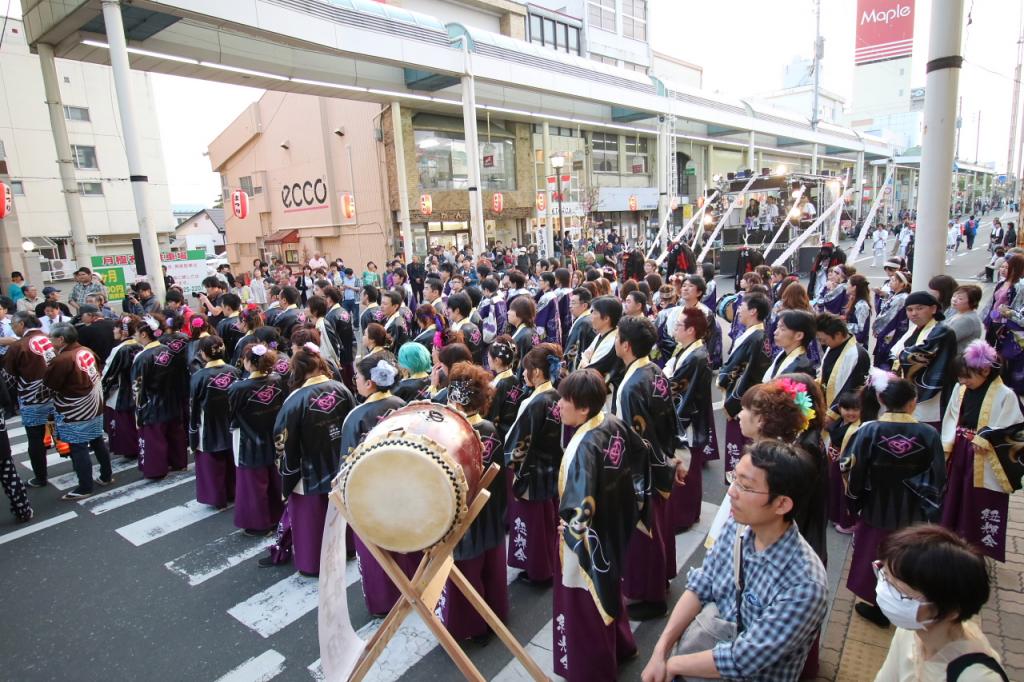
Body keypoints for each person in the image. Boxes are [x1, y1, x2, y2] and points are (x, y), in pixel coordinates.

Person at [641, 440, 828, 682]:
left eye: (745, 486)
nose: (731, 491)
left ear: (782, 503)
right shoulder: (737, 526)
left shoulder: (805, 585)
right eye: (735, 478)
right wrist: (660, 651)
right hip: (699, 663)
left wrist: (673, 664)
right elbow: (701, 585)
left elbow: (742, 659)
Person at [554, 369, 651, 681]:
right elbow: (641, 452)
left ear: (583, 408)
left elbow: (580, 505)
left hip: (591, 537)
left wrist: (571, 530)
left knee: (586, 601)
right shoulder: (612, 422)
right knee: (610, 589)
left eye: (564, 401)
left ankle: (593, 669)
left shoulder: (584, 445)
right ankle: (622, 645)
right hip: (615, 522)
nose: (559, 406)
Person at [842, 370, 946, 628]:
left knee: (875, 555)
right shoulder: (929, 435)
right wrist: (929, 510)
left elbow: (852, 470)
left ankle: (879, 606)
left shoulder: (868, 432)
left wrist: (854, 502)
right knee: (908, 559)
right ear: (912, 403)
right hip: (914, 513)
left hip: (876, 509)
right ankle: (909, 609)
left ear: (881, 400)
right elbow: (938, 478)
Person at [262, 345, 355, 576]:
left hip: (309, 471)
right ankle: (348, 549)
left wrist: (287, 473)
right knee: (341, 513)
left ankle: (314, 562)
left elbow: (282, 441)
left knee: (311, 520)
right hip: (341, 465)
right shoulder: (341, 389)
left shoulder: (295, 401)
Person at [873, 525, 1007, 681]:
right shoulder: (909, 633)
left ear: (950, 611)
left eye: (899, 592)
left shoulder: (977, 677)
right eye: (885, 577)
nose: (885, 592)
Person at [436, 362, 508, 642]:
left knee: (467, 570)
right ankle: (494, 616)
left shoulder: (452, 432)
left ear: (454, 398)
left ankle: (468, 626)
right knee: (490, 564)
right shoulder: (490, 428)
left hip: (462, 514)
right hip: (489, 509)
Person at [614, 316, 679, 620]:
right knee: (659, 530)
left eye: (617, 337)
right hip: (661, 463)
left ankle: (650, 597)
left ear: (625, 345)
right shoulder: (654, 371)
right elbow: (670, 418)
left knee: (644, 535)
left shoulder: (630, 387)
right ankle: (660, 581)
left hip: (643, 473)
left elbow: (633, 440)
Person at [940, 341, 1024, 562]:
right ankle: (951, 539)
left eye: (967, 376)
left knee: (979, 499)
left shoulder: (1006, 394)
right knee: (954, 495)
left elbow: (1014, 428)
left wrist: (987, 437)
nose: (962, 381)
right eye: (959, 377)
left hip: (985, 455)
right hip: (960, 449)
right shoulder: (961, 389)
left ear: (985, 370)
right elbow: (951, 416)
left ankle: (976, 548)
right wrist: (947, 444)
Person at [339, 352, 407, 612]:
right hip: (401, 487)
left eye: (357, 376)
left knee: (375, 550)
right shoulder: (402, 403)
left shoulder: (357, 416)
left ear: (370, 382)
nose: (355, 379)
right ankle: (409, 590)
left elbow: (347, 464)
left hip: (370, 493)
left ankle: (384, 601)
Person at [504, 343, 564, 585]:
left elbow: (519, 442)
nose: (523, 374)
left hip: (531, 472)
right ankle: (548, 565)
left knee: (533, 526)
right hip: (551, 468)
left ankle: (539, 571)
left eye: (526, 370)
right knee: (547, 523)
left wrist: (512, 467)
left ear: (537, 372)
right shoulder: (556, 395)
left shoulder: (536, 402)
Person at [43, 322, 112, 500]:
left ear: (61, 339)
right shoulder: (86, 350)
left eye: (52, 337)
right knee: (97, 440)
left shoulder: (63, 359)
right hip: (94, 404)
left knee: (78, 446)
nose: (50, 341)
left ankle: (85, 487)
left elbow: (51, 384)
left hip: (75, 409)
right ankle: (106, 475)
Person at [664, 308, 716, 533]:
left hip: (687, 421)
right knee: (690, 471)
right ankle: (689, 513)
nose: (675, 328)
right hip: (690, 419)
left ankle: (682, 517)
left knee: (685, 471)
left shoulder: (695, 358)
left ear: (691, 330)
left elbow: (680, 393)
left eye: (678, 325)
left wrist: (674, 425)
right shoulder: (690, 351)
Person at [228, 343, 286, 536]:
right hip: (274, 436)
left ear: (248, 362)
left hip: (249, 441)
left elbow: (231, 416)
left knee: (253, 485)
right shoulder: (277, 379)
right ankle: (278, 516)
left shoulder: (238, 388)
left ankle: (259, 524)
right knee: (274, 479)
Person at [718, 293, 773, 475]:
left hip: (743, 402)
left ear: (753, 311)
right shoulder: (752, 334)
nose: (738, 309)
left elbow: (751, 375)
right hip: (739, 398)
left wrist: (735, 402)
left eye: (741, 306)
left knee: (742, 446)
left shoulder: (758, 337)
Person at [131, 313, 189, 479]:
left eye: (136, 332)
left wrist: (138, 411)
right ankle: (179, 462)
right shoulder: (168, 350)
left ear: (143, 334)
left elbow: (137, 386)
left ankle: (156, 469)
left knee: (154, 437)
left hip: (152, 403)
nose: (134, 335)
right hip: (172, 399)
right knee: (175, 433)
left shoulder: (142, 357)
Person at [3, 312, 57, 487]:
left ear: (21, 324)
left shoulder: (18, 346)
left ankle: (40, 477)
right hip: (58, 394)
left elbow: (9, 379)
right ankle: (80, 468)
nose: (11, 328)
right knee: (66, 434)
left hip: (32, 398)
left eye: (12, 324)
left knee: (35, 439)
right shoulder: (52, 338)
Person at [891, 291, 958, 428]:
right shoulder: (914, 330)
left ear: (933, 309)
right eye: (909, 310)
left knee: (927, 427)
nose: (914, 313)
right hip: (910, 388)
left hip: (931, 387)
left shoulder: (943, 330)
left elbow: (917, 354)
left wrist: (902, 355)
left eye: (919, 308)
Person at [189, 335, 241, 509]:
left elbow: (194, 408)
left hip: (208, 425)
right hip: (231, 421)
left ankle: (217, 497)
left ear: (203, 353)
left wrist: (192, 434)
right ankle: (233, 492)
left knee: (212, 463)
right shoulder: (234, 371)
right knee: (230, 458)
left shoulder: (198, 377)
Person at [101, 315, 143, 460]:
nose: (114, 330)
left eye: (116, 327)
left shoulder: (119, 349)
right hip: (139, 389)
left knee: (124, 423)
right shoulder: (141, 345)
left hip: (122, 391)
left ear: (124, 331)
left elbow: (108, 374)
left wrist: (103, 390)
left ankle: (129, 449)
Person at [827, 391, 861, 534]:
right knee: (834, 487)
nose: (851, 413)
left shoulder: (860, 427)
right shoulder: (838, 423)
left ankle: (848, 522)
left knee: (845, 490)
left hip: (848, 463)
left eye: (855, 409)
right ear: (840, 409)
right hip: (835, 460)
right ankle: (835, 516)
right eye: (847, 409)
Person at [578, 296, 625, 391]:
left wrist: (585, 361)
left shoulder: (613, 341)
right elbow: (585, 355)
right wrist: (585, 360)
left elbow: (589, 372)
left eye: (594, 312)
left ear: (606, 318)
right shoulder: (602, 334)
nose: (591, 316)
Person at [486, 336, 524, 442]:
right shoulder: (515, 378)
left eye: (489, 357)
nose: (488, 360)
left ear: (497, 360)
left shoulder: (499, 384)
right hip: (512, 428)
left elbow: (493, 415)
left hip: (501, 433)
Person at [763, 309, 817, 381]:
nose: (775, 332)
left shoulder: (801, 367)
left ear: (799, 335)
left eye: (782, 329)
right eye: (777, 327)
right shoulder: (783, 355)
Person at [873, 270, 911, 368]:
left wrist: (878, 329)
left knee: (885, 361)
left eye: (894, 280)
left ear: (902, 284)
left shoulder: (901, 298)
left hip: (892, 333)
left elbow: (888, 318)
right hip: (890, 332)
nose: (890, 282)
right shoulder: (897, 296)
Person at [563, 287, 596, 373]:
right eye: (570, 302)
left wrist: (564, 365)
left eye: (573, 303)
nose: (570, 306)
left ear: (584, 305)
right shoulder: (586, 318)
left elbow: (573, 348)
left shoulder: (583, 323)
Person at [507, 296, 540, 375]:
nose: (508, 312)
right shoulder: (532, 329)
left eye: (511, 310)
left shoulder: (521, 336)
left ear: (519, 313)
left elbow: (518, 366)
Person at [946, 284, 985, 354]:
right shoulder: (960, 313)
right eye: (954, 296)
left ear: (973, 302)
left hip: (957, 359)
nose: (954, 300)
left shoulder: (967, 319)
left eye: (960, 298)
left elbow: (946, 339)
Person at [844, 274, 873, 347]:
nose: (846, 287)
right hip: (851, 342)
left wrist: (844, 326)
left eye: (848, 284)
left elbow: (861, 330)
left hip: (857, 346)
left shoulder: (862, 305)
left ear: (854, 287)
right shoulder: (854, 300)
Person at [215, 293, 244, 360]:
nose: (222, 310)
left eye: (222, 307)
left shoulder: (223, 324)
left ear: (228, 308)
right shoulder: (245, 319)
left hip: (231, 360)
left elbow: (219, 344)